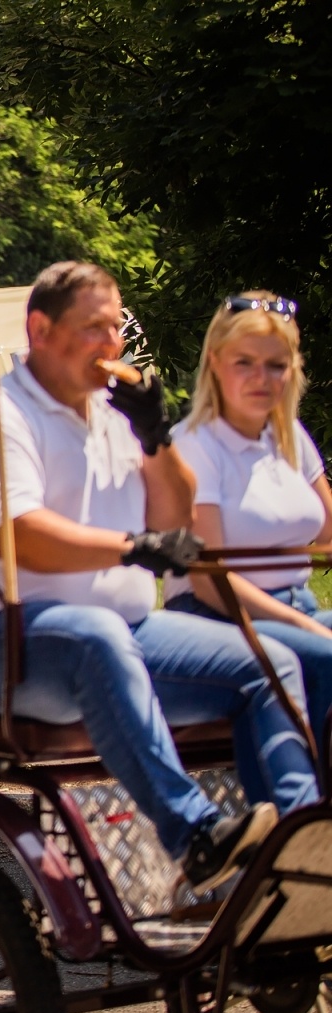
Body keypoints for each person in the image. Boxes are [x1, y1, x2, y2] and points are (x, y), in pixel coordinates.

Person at [0, 261, 319, 896]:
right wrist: (131, 547)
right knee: (95, 635)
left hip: (126, 633)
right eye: (94, 328)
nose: (112, 344)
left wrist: (155, 434)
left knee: (270, 660)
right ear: (41, 329)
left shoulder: (113, 419)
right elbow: (17, 535)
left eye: (116, 327)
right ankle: (193, 833)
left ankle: (298, 851)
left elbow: (173, 518)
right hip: (2, 644)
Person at [164, 291, 332, 750]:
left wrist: (307, 617)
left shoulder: (289, 436)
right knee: (327, 656)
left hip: (296, 605)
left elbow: (328, 536)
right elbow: (210, 582)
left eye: (276, 365)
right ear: (215, 363)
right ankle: (307, 812)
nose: (262, 378)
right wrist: (308, 626)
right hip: (219, 616)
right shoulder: (195, 444)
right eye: (245, 363)